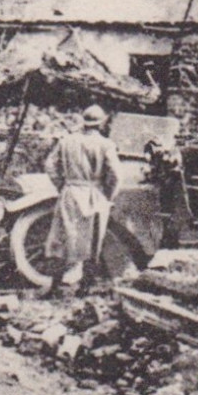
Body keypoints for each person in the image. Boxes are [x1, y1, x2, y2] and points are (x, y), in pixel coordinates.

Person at [43, 104, 124, 294]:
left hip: (70, 193)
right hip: (94, 195)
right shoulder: (106, 144)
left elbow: (50, 165)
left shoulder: (66, 141)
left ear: (84, 122)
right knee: (93, 241)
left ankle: (54, 286)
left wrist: (62, 185)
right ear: (101, 123)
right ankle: (85, 287)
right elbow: (116, 174)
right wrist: (108, 195)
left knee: (62, 239)